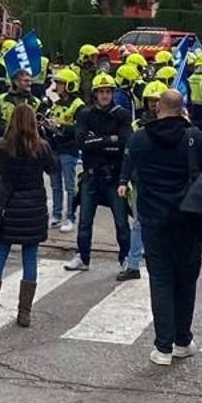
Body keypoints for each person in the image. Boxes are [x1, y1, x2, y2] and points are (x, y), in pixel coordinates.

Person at [121, 90, 202, 365]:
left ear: (156, 108)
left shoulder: (140, 138)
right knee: (186, 281)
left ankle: (162, 346)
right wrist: (190, 126)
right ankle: (182, 340)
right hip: (188, 218)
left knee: (161, 281)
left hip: (154, 219)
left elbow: (134, 161)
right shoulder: (192, 136)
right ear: (182, 109)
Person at [0, 104, 57, 328]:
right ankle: (24, 313)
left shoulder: (3, 147)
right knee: (30, 259)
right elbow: (53, 168)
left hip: (7, 208)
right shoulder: (41, 148)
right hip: (32, 210)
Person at [66, 73, 137, 278]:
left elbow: (125, 142)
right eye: (101, 92)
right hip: (91, 175)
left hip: (114, 177)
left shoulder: (121, 114)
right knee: (85, 220)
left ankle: (125, 258)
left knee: (121, 221)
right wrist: (110, 139)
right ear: (95, 94)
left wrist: (97, 140)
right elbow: (81, 142)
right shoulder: (85, 114)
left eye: (108, 92)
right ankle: (82, 256)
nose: (105, 95)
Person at [44, 68, 83, 232]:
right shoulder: (56, 104)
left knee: (70, 186)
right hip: (55, 148)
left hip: (69, 149)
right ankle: (57, 215)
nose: (57, 86)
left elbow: (80, 130)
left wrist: (60, 127)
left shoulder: (78, 105)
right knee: (55, 185)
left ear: (70, 85)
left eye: (60, 83)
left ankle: (70, 217)